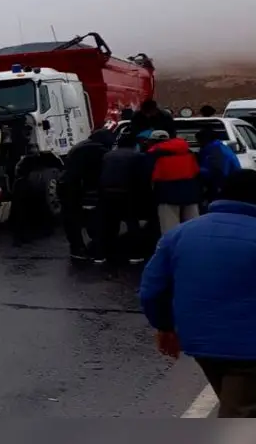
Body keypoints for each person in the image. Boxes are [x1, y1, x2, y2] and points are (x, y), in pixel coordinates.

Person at [139, 169, 256, 418]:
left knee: (234, 400)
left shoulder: (180, 234)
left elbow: (152, 290)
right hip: (247, 349)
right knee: (240, 412)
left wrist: (165, 327)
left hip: (201, 343)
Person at [59, 128, 115, 261]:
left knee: (71, 218)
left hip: (65, 185)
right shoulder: (99, 150)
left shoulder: (79, 146)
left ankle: (77, 248)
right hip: (79, 187)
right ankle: (95, 247)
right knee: (92, 216)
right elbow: (98, 172)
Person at [98, 133, 151, 266]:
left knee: (109, 225)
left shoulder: (107, 156)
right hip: (127, 193)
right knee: (132, 223)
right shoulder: (138, 156)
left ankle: (102, 255)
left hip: (107, 193)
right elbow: (142, 177)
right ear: (134, 144)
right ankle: (135, 255)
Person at [147, 130, 202, 234]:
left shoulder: (153, 154)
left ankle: (172, 249)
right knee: (193, 227)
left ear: (152, 141)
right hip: (190, 193)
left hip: (166, 194)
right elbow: (197, 172)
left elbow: (147, 174)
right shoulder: (187, 151)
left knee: (169, 229)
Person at [196, 125, 242, 207]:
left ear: (204, 140)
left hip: (223, 186)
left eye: (199, 141)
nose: (198, 143)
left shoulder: (214, 150)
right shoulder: (219, 147)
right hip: (228, 184)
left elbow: (217, 171)